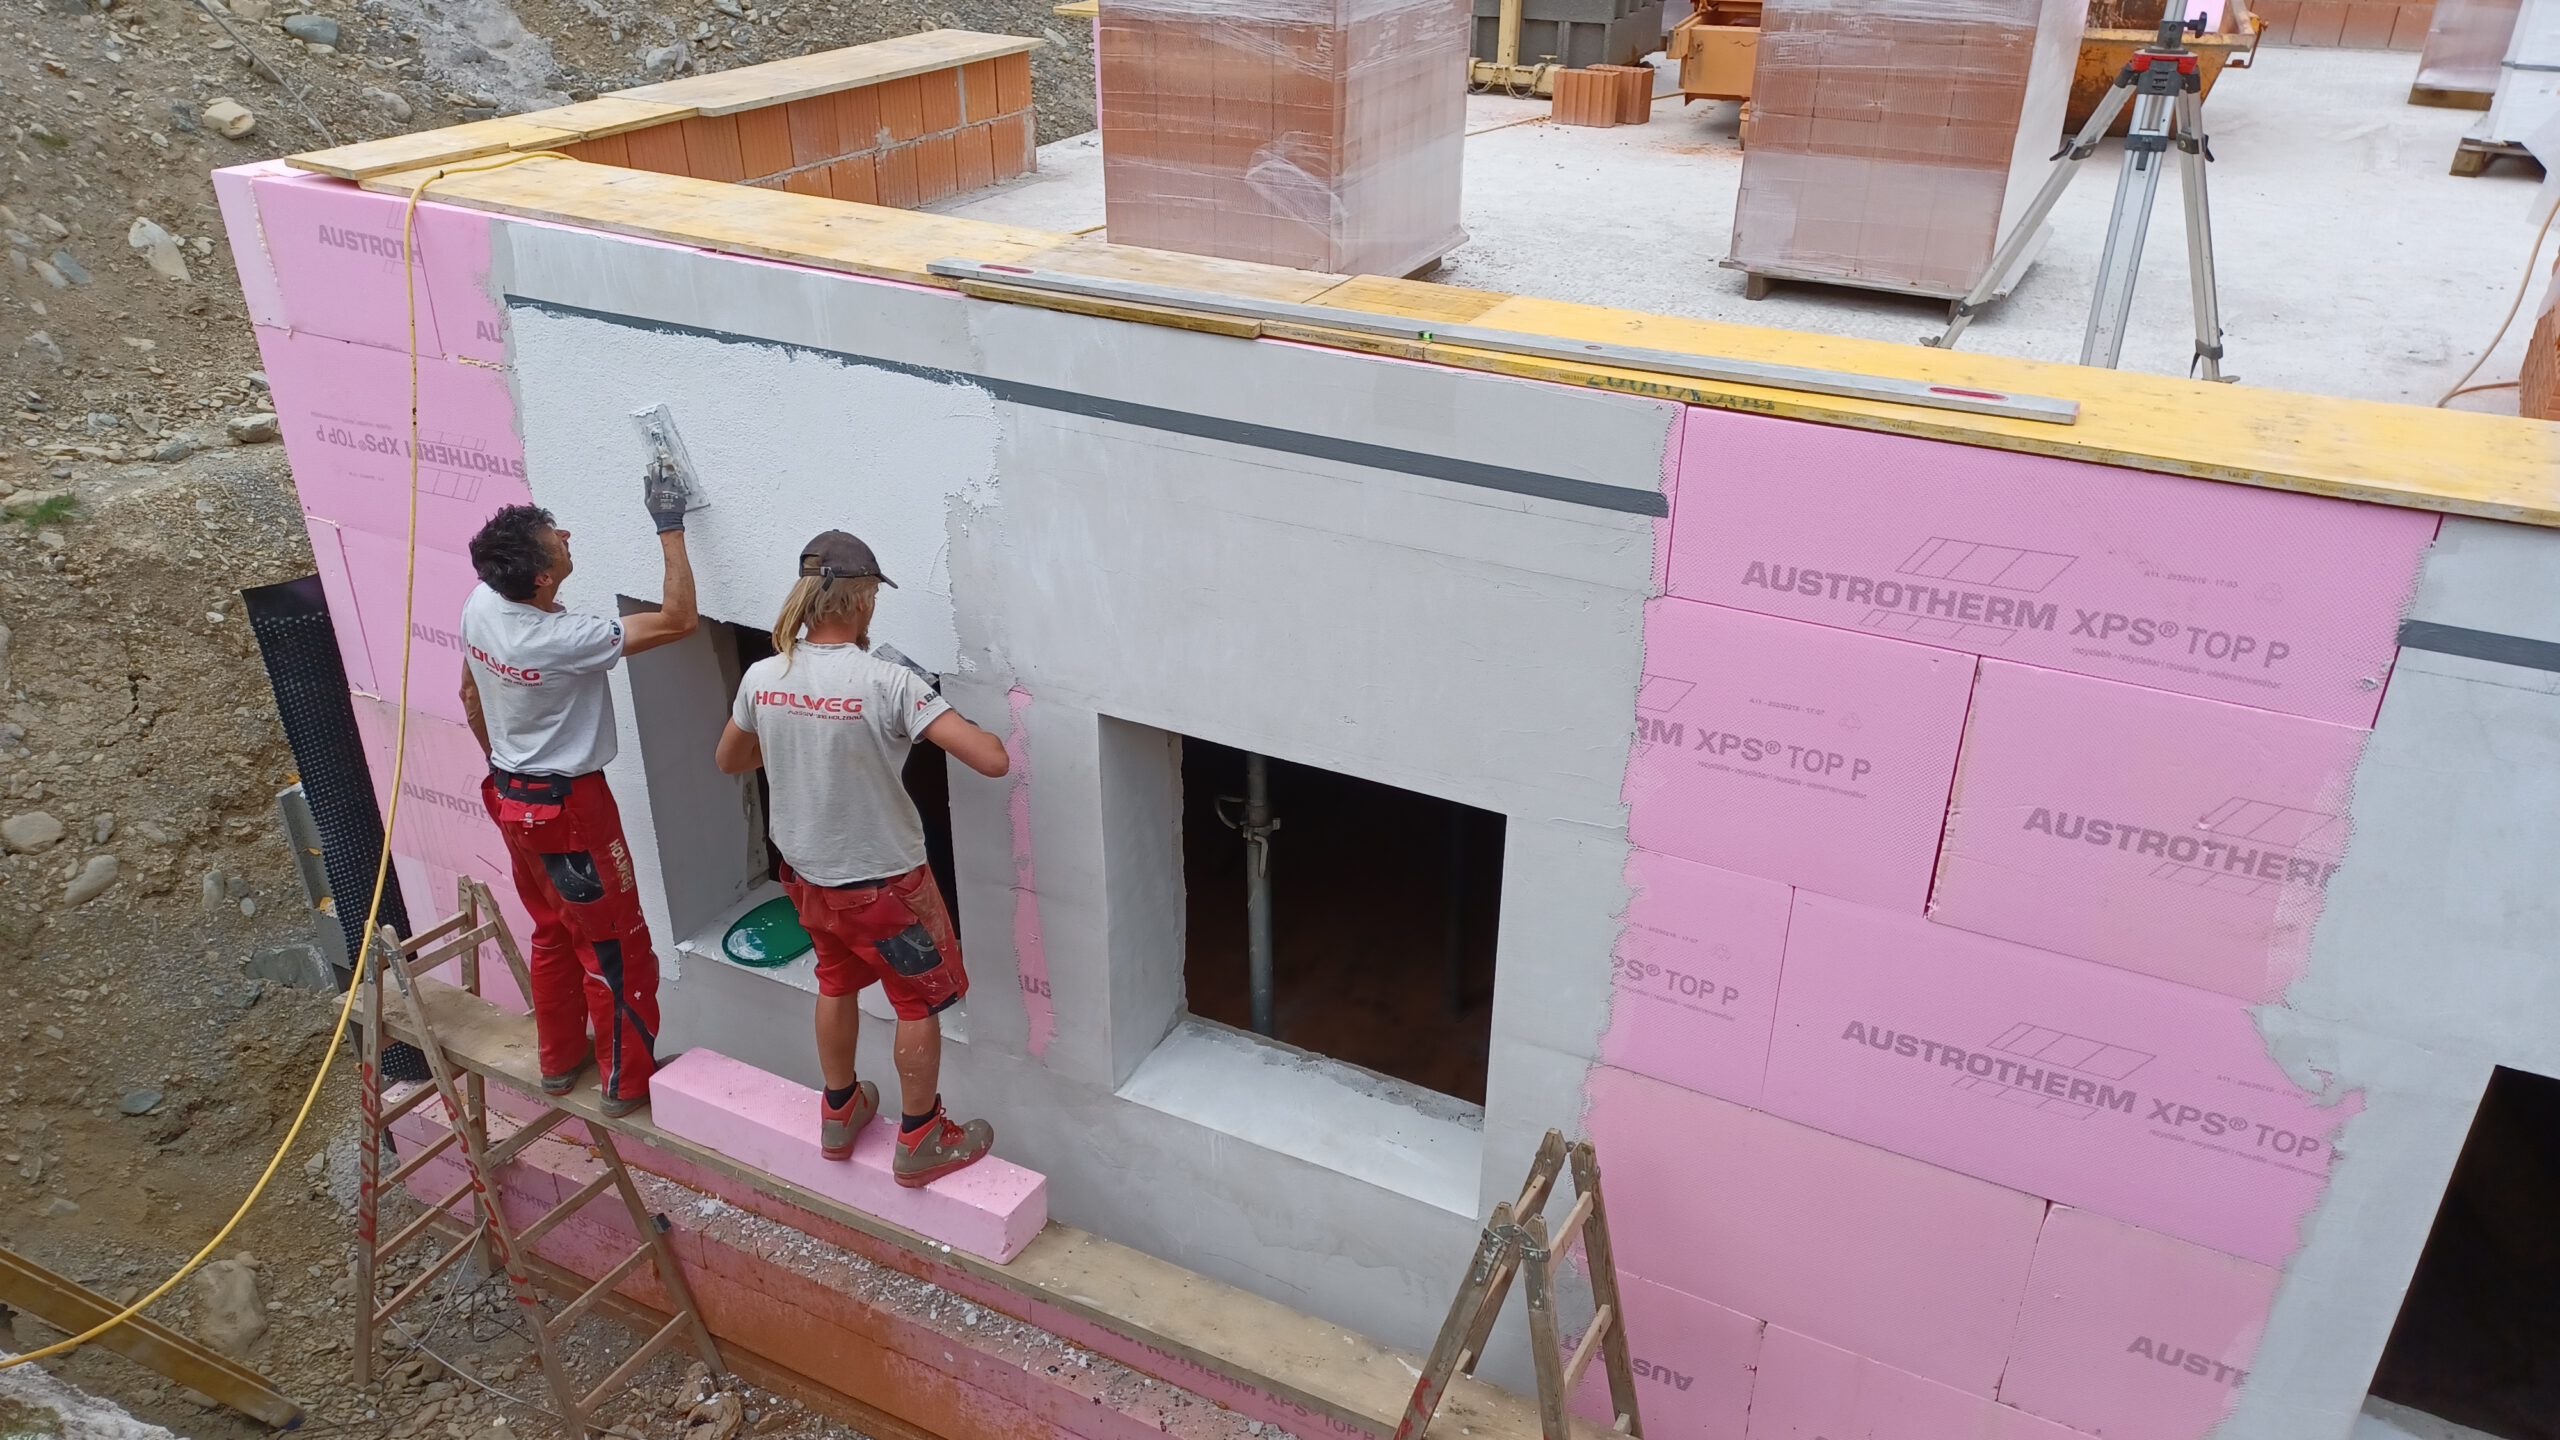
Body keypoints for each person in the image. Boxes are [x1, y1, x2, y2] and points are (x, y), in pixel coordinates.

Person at [713, 530, 1010, 1186]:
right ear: (863, 601)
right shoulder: (888, 682)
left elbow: (730, 759)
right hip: (886, 891)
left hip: (810, 880)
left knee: (835, 981)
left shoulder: (765, 676)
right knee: (915, 1003)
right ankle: (921, 1137)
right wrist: (934, 707)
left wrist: (795, 739)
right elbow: (992, 761)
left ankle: (840, 1111)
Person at [458, 469, 698, 1117]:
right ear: (542, 578)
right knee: (617, 947)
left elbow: (469, 695)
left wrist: (510, 775)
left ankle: (560, 1061)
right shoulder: (564, 640)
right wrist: (669, 524)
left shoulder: (481, 605)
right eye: (554, 539)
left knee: (553, 931)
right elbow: (679, 621)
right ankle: (627, 1083)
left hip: (512, 797)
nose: (566, 536)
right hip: (569, 810)